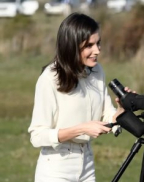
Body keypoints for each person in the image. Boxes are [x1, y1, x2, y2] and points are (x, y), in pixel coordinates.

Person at [28, 13, 128, 182]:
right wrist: (82, 128)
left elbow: (108, 116)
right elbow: (37, 135)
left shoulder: (97, 71)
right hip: (56, 168)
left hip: (87, 164)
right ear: (71, 46)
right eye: (89, 45)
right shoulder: (49, 78)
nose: (97, 50)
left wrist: (123, 108)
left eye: (98, 43)